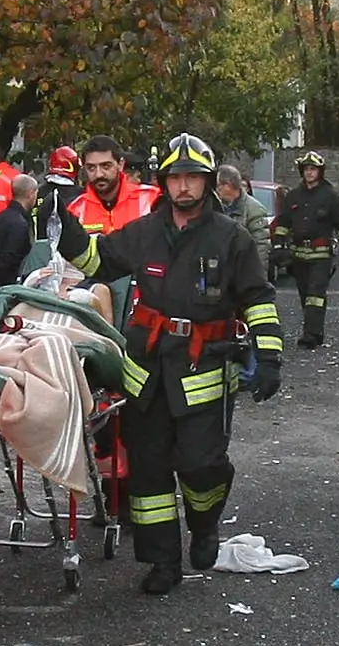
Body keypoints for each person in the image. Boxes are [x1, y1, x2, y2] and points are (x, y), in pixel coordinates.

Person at [56, 135, 281, 594]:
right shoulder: (144, 232)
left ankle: (204, 525)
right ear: (164, 182)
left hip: (205, 370)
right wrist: (64, 225)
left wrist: (270, 355)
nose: (183, 187)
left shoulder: (231, 238)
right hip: (147, 371)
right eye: (175, 178)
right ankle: (162, 562)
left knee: (202, 466)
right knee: (149, 472)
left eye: (192, 178)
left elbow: (257, 299)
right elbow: (98, 261)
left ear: (207, 182)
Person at [271, 150, 339, 349]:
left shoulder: (330, 196)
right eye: (306, 169)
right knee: (305, 295)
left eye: (313, 169)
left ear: (320, 172)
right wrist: (278, 245)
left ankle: (311, 334)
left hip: (321, 255)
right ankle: (314, 331)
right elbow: (283, 222)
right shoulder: (294, 196)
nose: (309, 173)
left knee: (316, 294)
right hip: (298, 255)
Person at [67, 134, 160, 235]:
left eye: (106, 166)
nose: (99, 174)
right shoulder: (76, 209)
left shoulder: (151, 199)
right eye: (91, 168)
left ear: (120, 165)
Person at [217, 164, 272, 263]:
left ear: (228, 185)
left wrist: (255, 276)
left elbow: (261, 247)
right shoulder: (217, 207)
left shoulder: (254, 210)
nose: (217, 190)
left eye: (218, 185)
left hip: (243, 269)